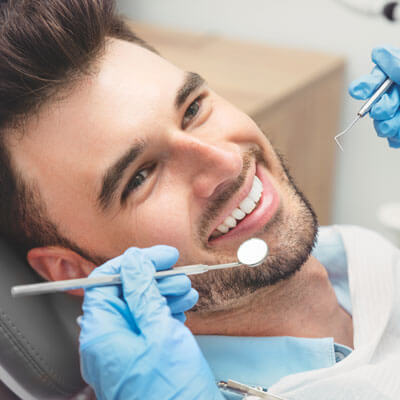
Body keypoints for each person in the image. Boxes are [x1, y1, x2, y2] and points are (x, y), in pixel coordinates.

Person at [0, 1, 399, 399]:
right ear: (72, 270)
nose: (226, 162)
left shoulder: (353, 255)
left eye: (192, 109)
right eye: (141, 175)